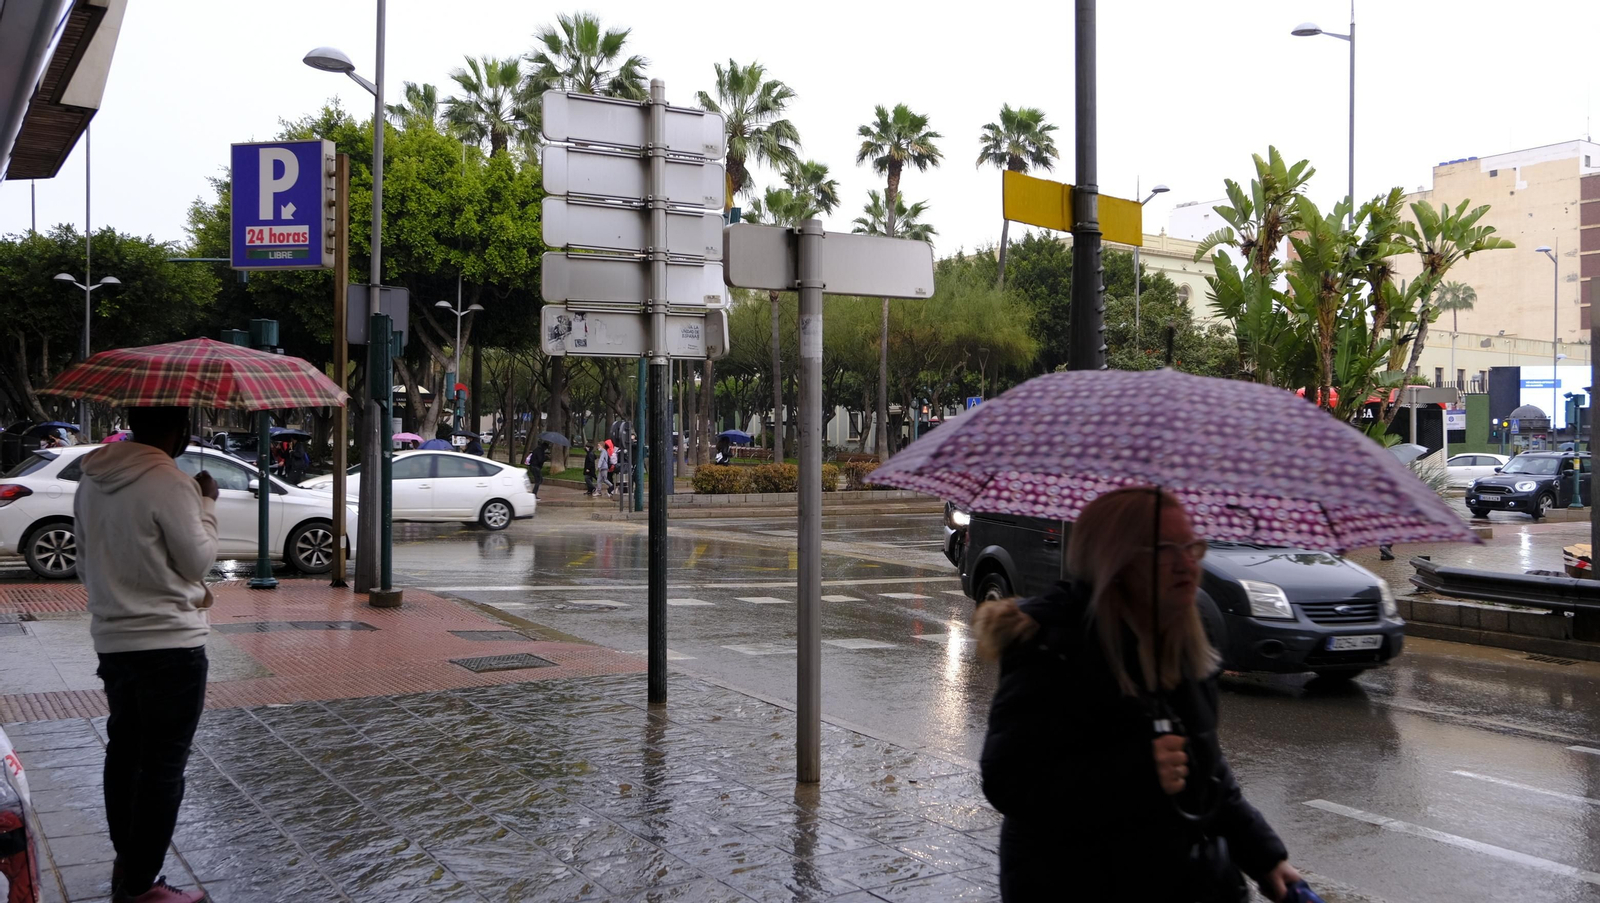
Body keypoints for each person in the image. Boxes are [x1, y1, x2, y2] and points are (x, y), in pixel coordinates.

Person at [975, 487, 1300, 903]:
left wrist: (1262, 855)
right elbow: (1009, 781)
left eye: (1192, 547)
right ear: (1115, 559)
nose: (1187, 563)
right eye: (1165, 550)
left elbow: (1204, 769)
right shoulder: (1052, 645)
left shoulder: (1180, 638)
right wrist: (1134, 769)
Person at [75, 406, 218, 903]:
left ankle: (129, 865)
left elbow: (83, 565)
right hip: (171, 645)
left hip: (113, 642)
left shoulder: (91, 480)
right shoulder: (170, 482)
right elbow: (198, 561)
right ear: (180, 430)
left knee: (124, 756)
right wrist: (206, 503)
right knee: (162, 767)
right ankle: (141, 885)